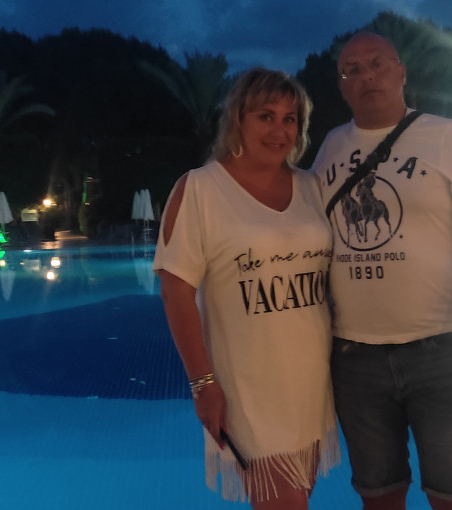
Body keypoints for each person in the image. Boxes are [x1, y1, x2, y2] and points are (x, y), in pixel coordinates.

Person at [311, 33, 452, 510]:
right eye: (352, 70)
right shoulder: (332, 145)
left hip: (441, 352)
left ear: (400, 72)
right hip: (355, 356)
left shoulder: (448, 137)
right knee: (378, 496)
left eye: (377, 64)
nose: (366, 76)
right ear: (342, 86)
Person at [154, 68, 339, 509]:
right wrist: (203, 384)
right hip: (248, 386)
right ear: (238, 118)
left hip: (311, 378)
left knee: (300, 495)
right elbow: (176, 291)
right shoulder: (200, 189)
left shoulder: (311, 186)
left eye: (290, 119)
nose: (279, 130)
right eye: (266, 116)